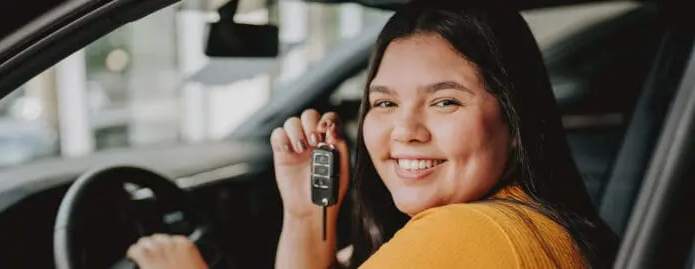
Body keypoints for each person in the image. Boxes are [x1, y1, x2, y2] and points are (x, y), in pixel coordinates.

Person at [125, 0, 620, 268]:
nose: (405, 131)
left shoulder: (469, 233)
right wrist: (307, 215)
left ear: (514, 123)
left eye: (445, 101)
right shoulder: (534, 222)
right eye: (384, 103)